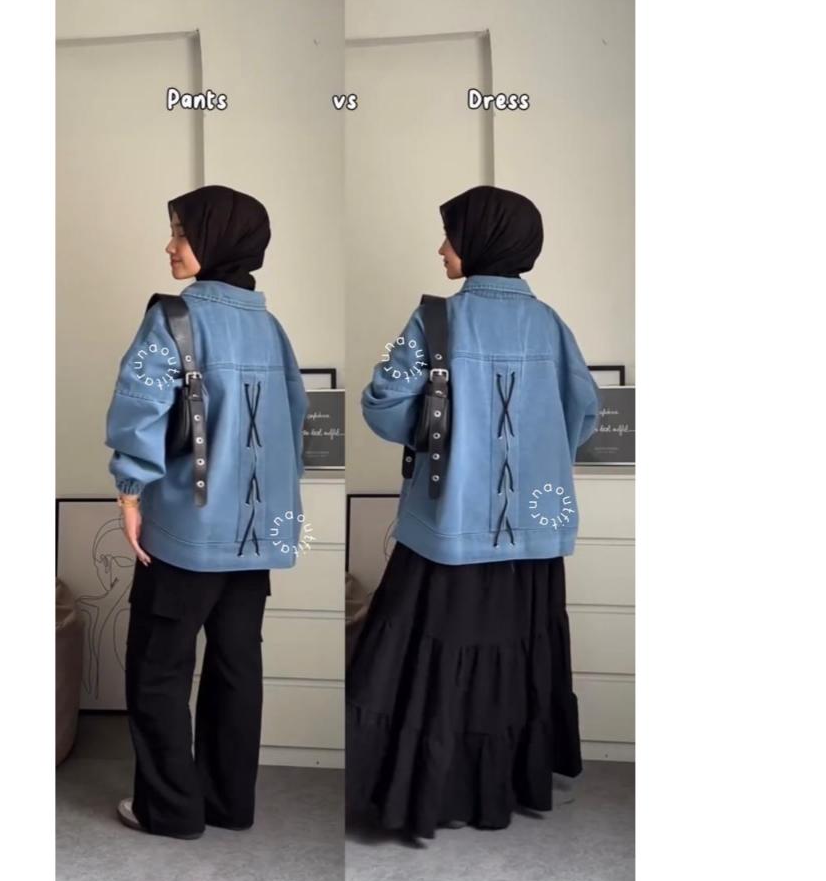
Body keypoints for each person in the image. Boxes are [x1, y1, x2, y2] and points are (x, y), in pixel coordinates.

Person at [345, 184, 600, 841]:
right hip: (532, 540)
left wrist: (446, 442)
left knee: (428, 659)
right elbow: (584, 415)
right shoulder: (551, 326)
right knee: (518, 655)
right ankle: (508, 787)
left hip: (448, 529)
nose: (441, 248)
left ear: (482, 240)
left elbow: (381, 405)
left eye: (451, 235)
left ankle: (425, 795)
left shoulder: (436, 320)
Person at [104, 184, 309, 839]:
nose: (170, 245)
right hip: (253, 536)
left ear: (216, 240)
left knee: (159, 669)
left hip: (186, 531)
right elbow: (294, 423)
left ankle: (169, 809)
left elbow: (140, 409)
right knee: (236, 665)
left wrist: (129, 493)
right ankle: (227, 803)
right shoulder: (271, 328)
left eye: (182, 232)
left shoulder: (174, 318)